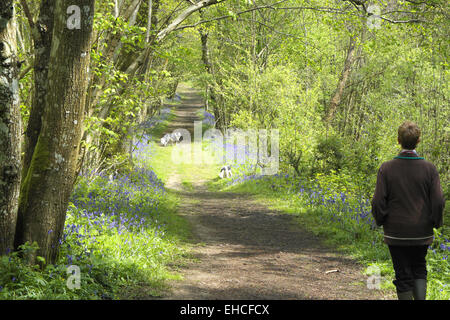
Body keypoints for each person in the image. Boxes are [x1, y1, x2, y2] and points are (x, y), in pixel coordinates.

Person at [371, 121, 445, 300]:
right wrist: (435, 222)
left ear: (398, 140)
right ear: (419, 141)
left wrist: (382, 220)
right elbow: (438, 201)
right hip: (421, 231)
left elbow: (377, 201)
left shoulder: (386, 168)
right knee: (419, 268)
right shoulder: (430, 169)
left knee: (403, 274)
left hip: (396, 232)